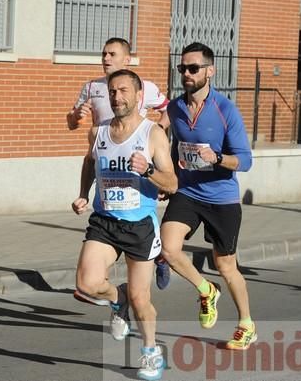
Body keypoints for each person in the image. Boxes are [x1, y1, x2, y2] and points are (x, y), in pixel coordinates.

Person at [71, 69, 177, 381]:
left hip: (139, 226)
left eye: (124, 91)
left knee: (142, 299)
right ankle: (119, 299)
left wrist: (147, 171)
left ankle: (150, 351)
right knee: (87, 283)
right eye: (113, 92)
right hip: (104, 221)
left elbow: (171, 182)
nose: (117, 97)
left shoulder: (152, 134)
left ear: (138, 95)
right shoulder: (99, 132)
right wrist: (82, 194)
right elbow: (91, 162)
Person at [160, 42, 257, 351]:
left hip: (222, 198)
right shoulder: (174, 108)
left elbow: (245, 160)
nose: (186, 74)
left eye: (193, 68)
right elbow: (166, 140)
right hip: (187, 192)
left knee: (226, 266)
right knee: (169, 248)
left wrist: (215, 157)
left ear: (210, 71)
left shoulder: (225, 110)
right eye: (182, 69)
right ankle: (206, 290)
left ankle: (246, 324)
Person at [67, 37, 172, 291]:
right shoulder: (92, 87)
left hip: (135, 161)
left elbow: (168, 109)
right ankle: (109, 284)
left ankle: (157, 255)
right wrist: (76, 116)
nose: (105, 59)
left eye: (112, 54)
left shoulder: (142, 87)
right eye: (103, 54)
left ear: (127, 59)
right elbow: (71, 123)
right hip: (104, 154)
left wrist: (157, 136)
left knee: (137, 219)